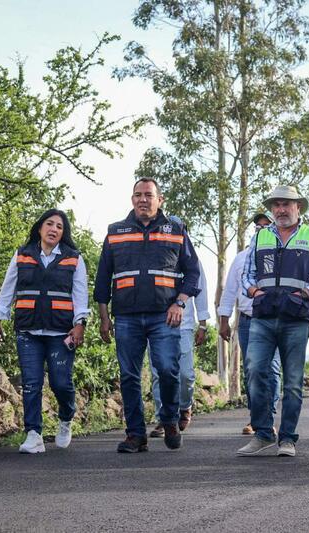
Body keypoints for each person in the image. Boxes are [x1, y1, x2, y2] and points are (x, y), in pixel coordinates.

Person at [94, 178, 201, 453]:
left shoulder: (176, 230)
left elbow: (193, 273)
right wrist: (104, 316)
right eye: (138, 195)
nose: (143, 200)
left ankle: (169, 420)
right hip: (127, 316)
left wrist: (179, 302)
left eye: (149, 195)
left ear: (160, 199)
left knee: (167, 369)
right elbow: (103, 277)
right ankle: (135, 435)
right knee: (129, 375)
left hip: (164, 315)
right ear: (132, 200)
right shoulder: (116, 231)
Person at [236, 185, 309, 457]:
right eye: (276, 204)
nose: (281, 209)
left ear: (298, 207)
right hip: (262, 317)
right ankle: (263, 433)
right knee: (254, 371)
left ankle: (287, 438)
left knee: (293, 382)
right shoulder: (261, 236)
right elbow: (246, 274)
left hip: (296, 319)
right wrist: (254, 291)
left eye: (287, 204)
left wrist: (305, 295)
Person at [0, 209, 89, 453]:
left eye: (59, 226)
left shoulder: (73, 258)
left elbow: (80, 296)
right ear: (40, 228)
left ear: (63, 233)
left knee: (60, 383)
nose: (54, 229)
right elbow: (8, 289)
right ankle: (33, 434)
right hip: (28, 330)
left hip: (60, 332)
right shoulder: (22, 255)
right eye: (49, 224)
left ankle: (66, 417)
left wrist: (80, 324)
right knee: (32, 383)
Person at [218, 213, 281, 435]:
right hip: (247, 321)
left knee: (271, 369)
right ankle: (256, 418)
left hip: (272, 319)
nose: (261, 229)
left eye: (267, 225)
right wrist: (224, 320)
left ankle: (268, 417)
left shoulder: (280, 255)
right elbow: (229, 292)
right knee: (252, 370)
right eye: (257, 226)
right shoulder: (242, 258)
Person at [149, 259, 210, 437]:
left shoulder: (192, 259)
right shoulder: (156, 247)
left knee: (185, 374)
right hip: (156, 323)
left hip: (184, 324)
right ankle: (165, 418)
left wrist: (203, 324)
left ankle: (185, 406)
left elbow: (201, 290)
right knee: (158, 373)